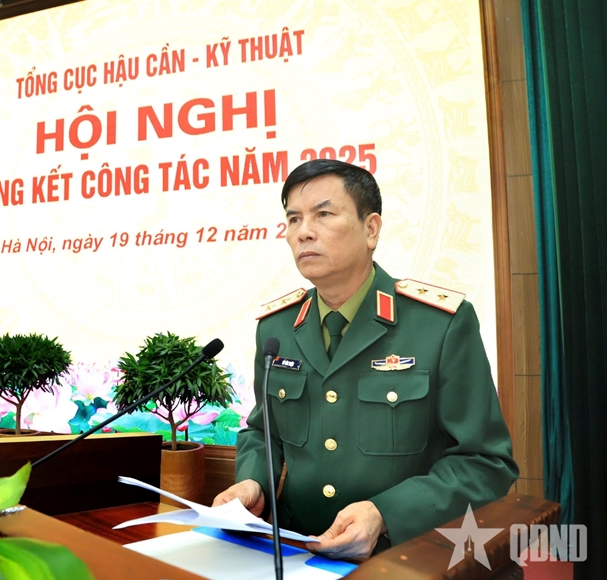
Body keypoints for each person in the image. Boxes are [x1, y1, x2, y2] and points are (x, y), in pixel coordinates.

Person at [213, 159, 518, 561]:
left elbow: (485, 463)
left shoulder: (440, 325)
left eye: (323, 214)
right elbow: (262, 432)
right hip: (293, 553)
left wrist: (385, 514)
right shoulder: (277, 329)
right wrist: (254, 482)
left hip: (402, 557)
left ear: (371, 229)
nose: (303, 232)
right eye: (294, 218)